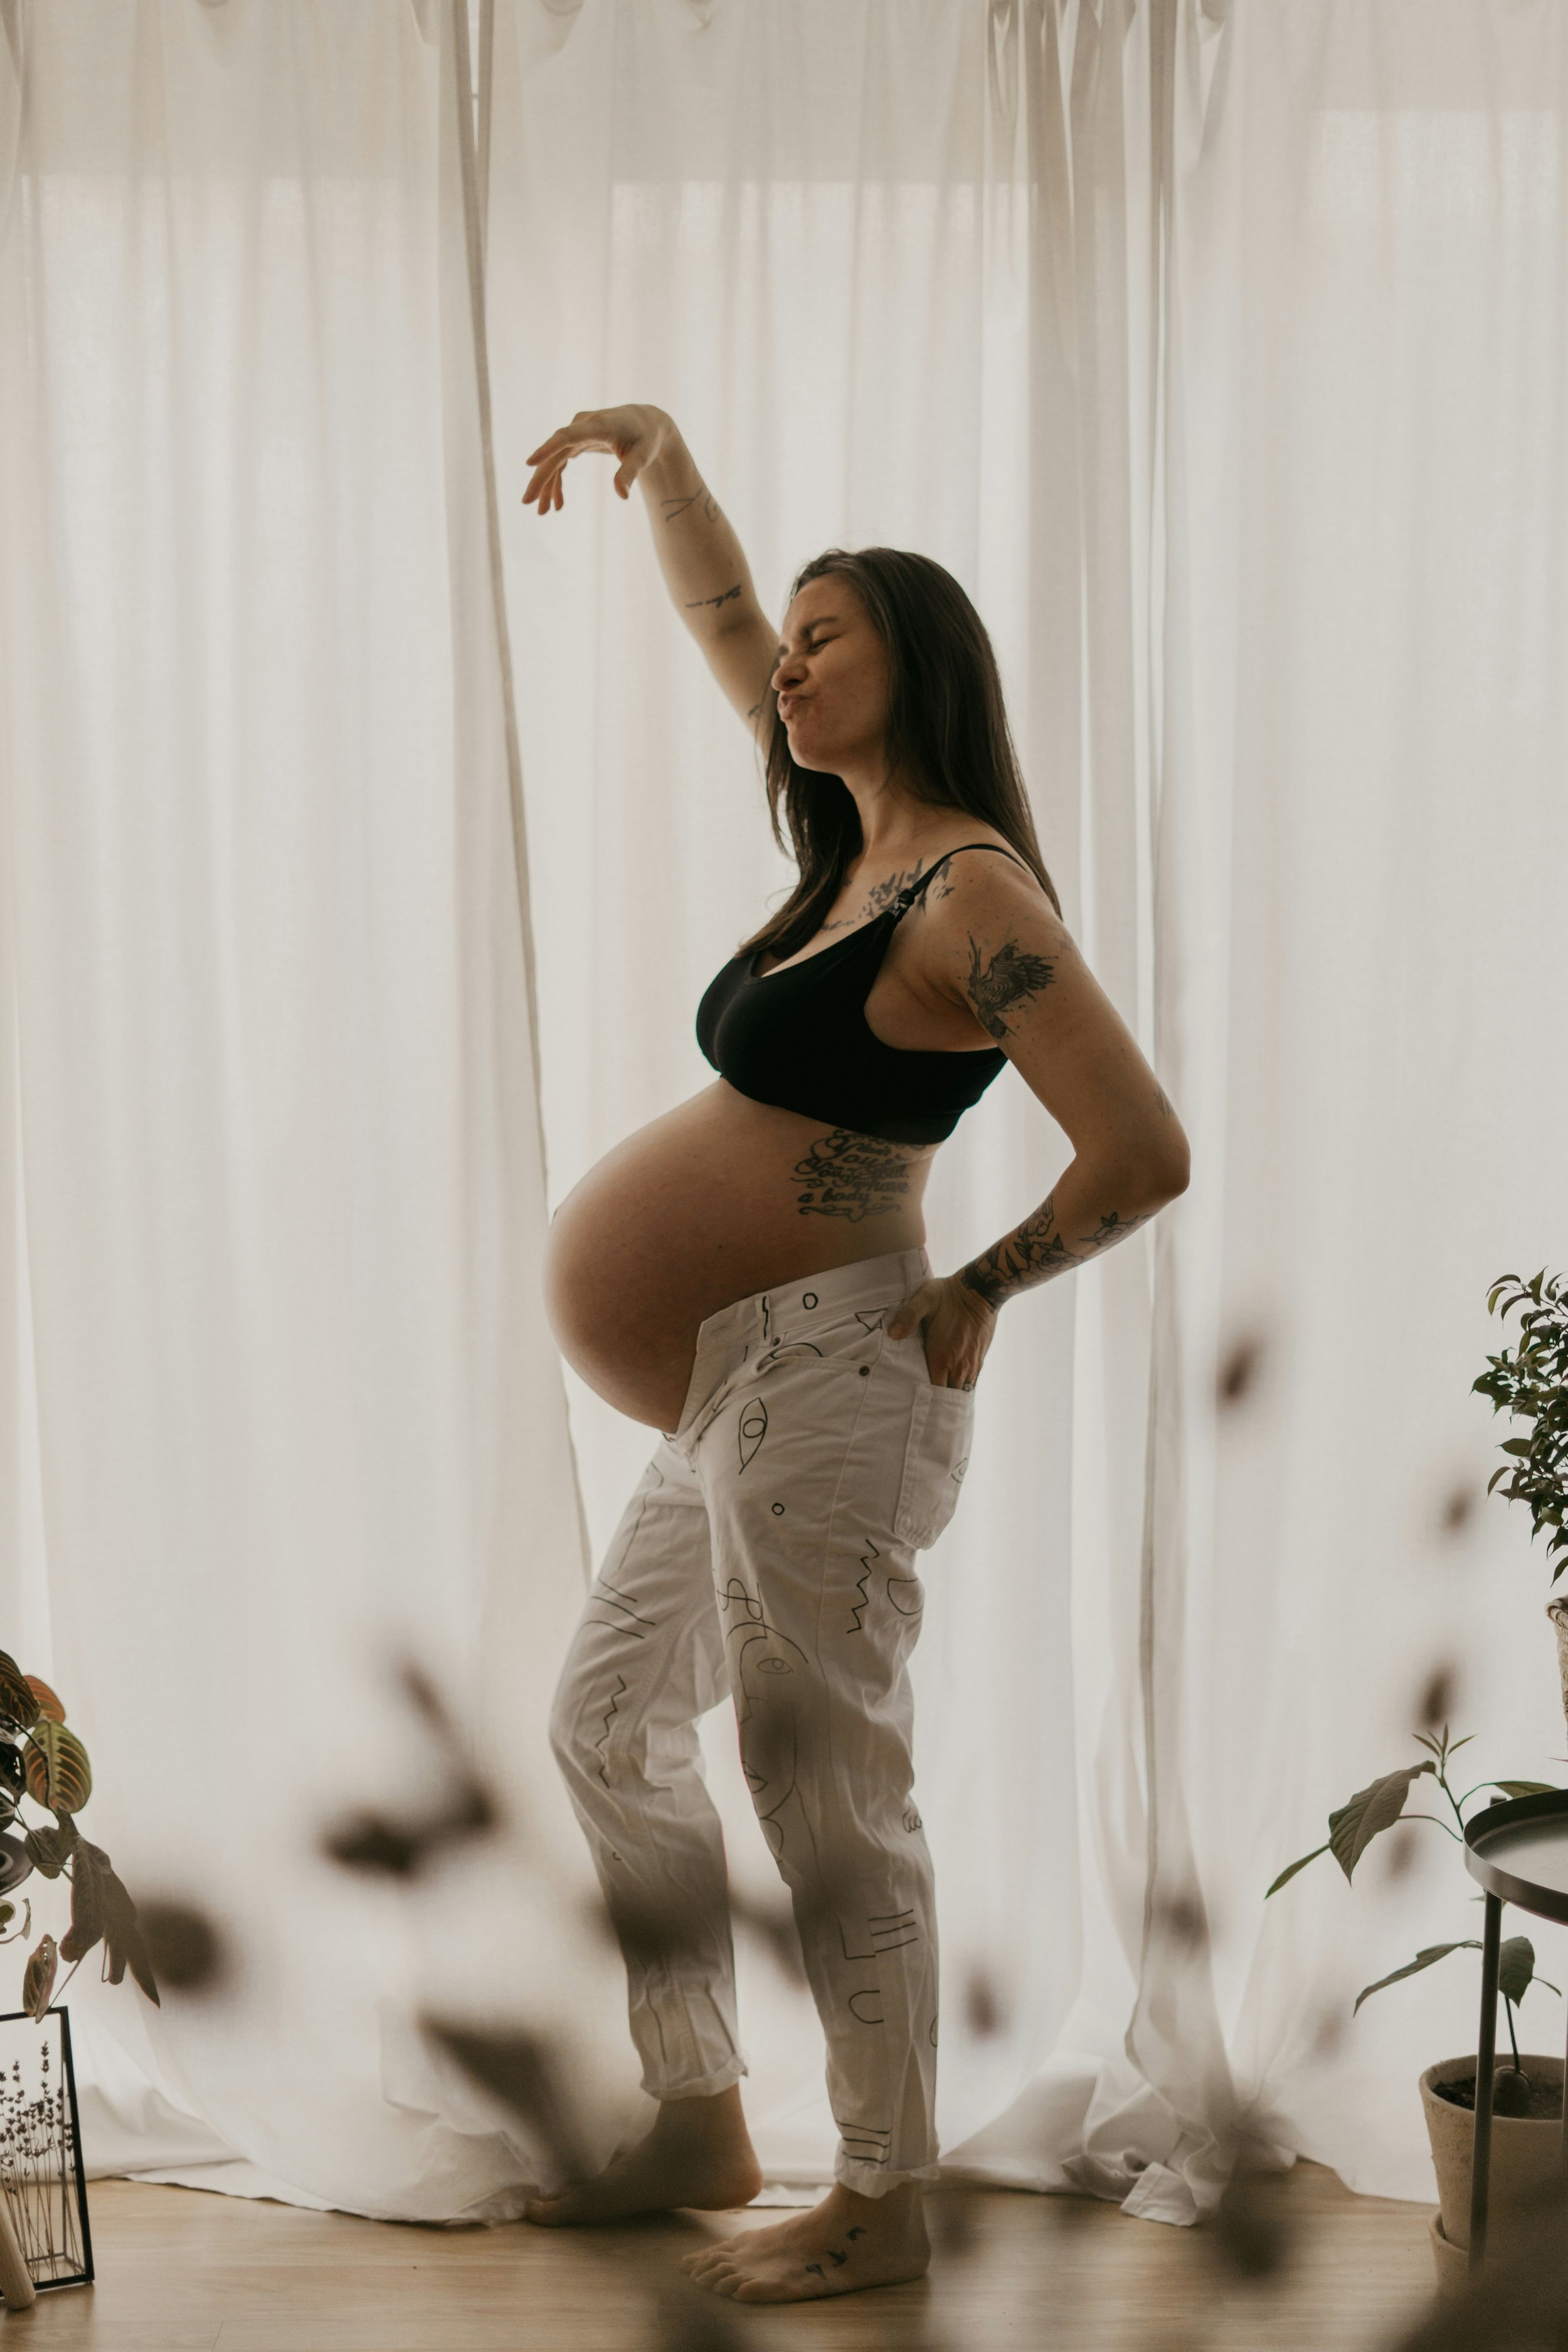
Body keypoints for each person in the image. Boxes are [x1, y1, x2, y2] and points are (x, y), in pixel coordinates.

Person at [516, 405, 1189, 2305]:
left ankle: (884, 2199)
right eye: (790, 644)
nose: (789, 663)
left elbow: (1142, 1152)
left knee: (828, 1800)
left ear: (920, 667)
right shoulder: (841, 843)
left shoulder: (967, 894)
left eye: (831, 638)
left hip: (836, 1385)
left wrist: (982, 1281)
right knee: (603, 1719)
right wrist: (659, 464)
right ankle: (698, 2117)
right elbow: (720, 618)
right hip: (734, 1389)